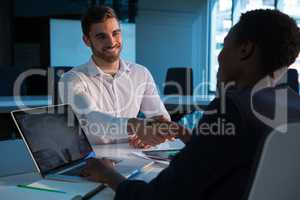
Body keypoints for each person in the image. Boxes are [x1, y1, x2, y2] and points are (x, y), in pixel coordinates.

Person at [80, 9, 300, 200]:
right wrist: (196, 142)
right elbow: (242, 162)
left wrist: (107, 174)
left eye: (225, 45)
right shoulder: (292, 102)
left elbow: (156, 197)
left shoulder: (231, 108)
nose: (220, 56)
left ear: (245, 50)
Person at [58, 6, 171, 146]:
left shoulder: (141, 73)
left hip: (134, 156)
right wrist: (135, 125)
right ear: (87, 41)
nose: (111, 42)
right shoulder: (71, 79)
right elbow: (92, 119)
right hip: (95, 161)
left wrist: (151, 135)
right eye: (101, 36)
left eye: (115, 33)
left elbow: (160, 117)